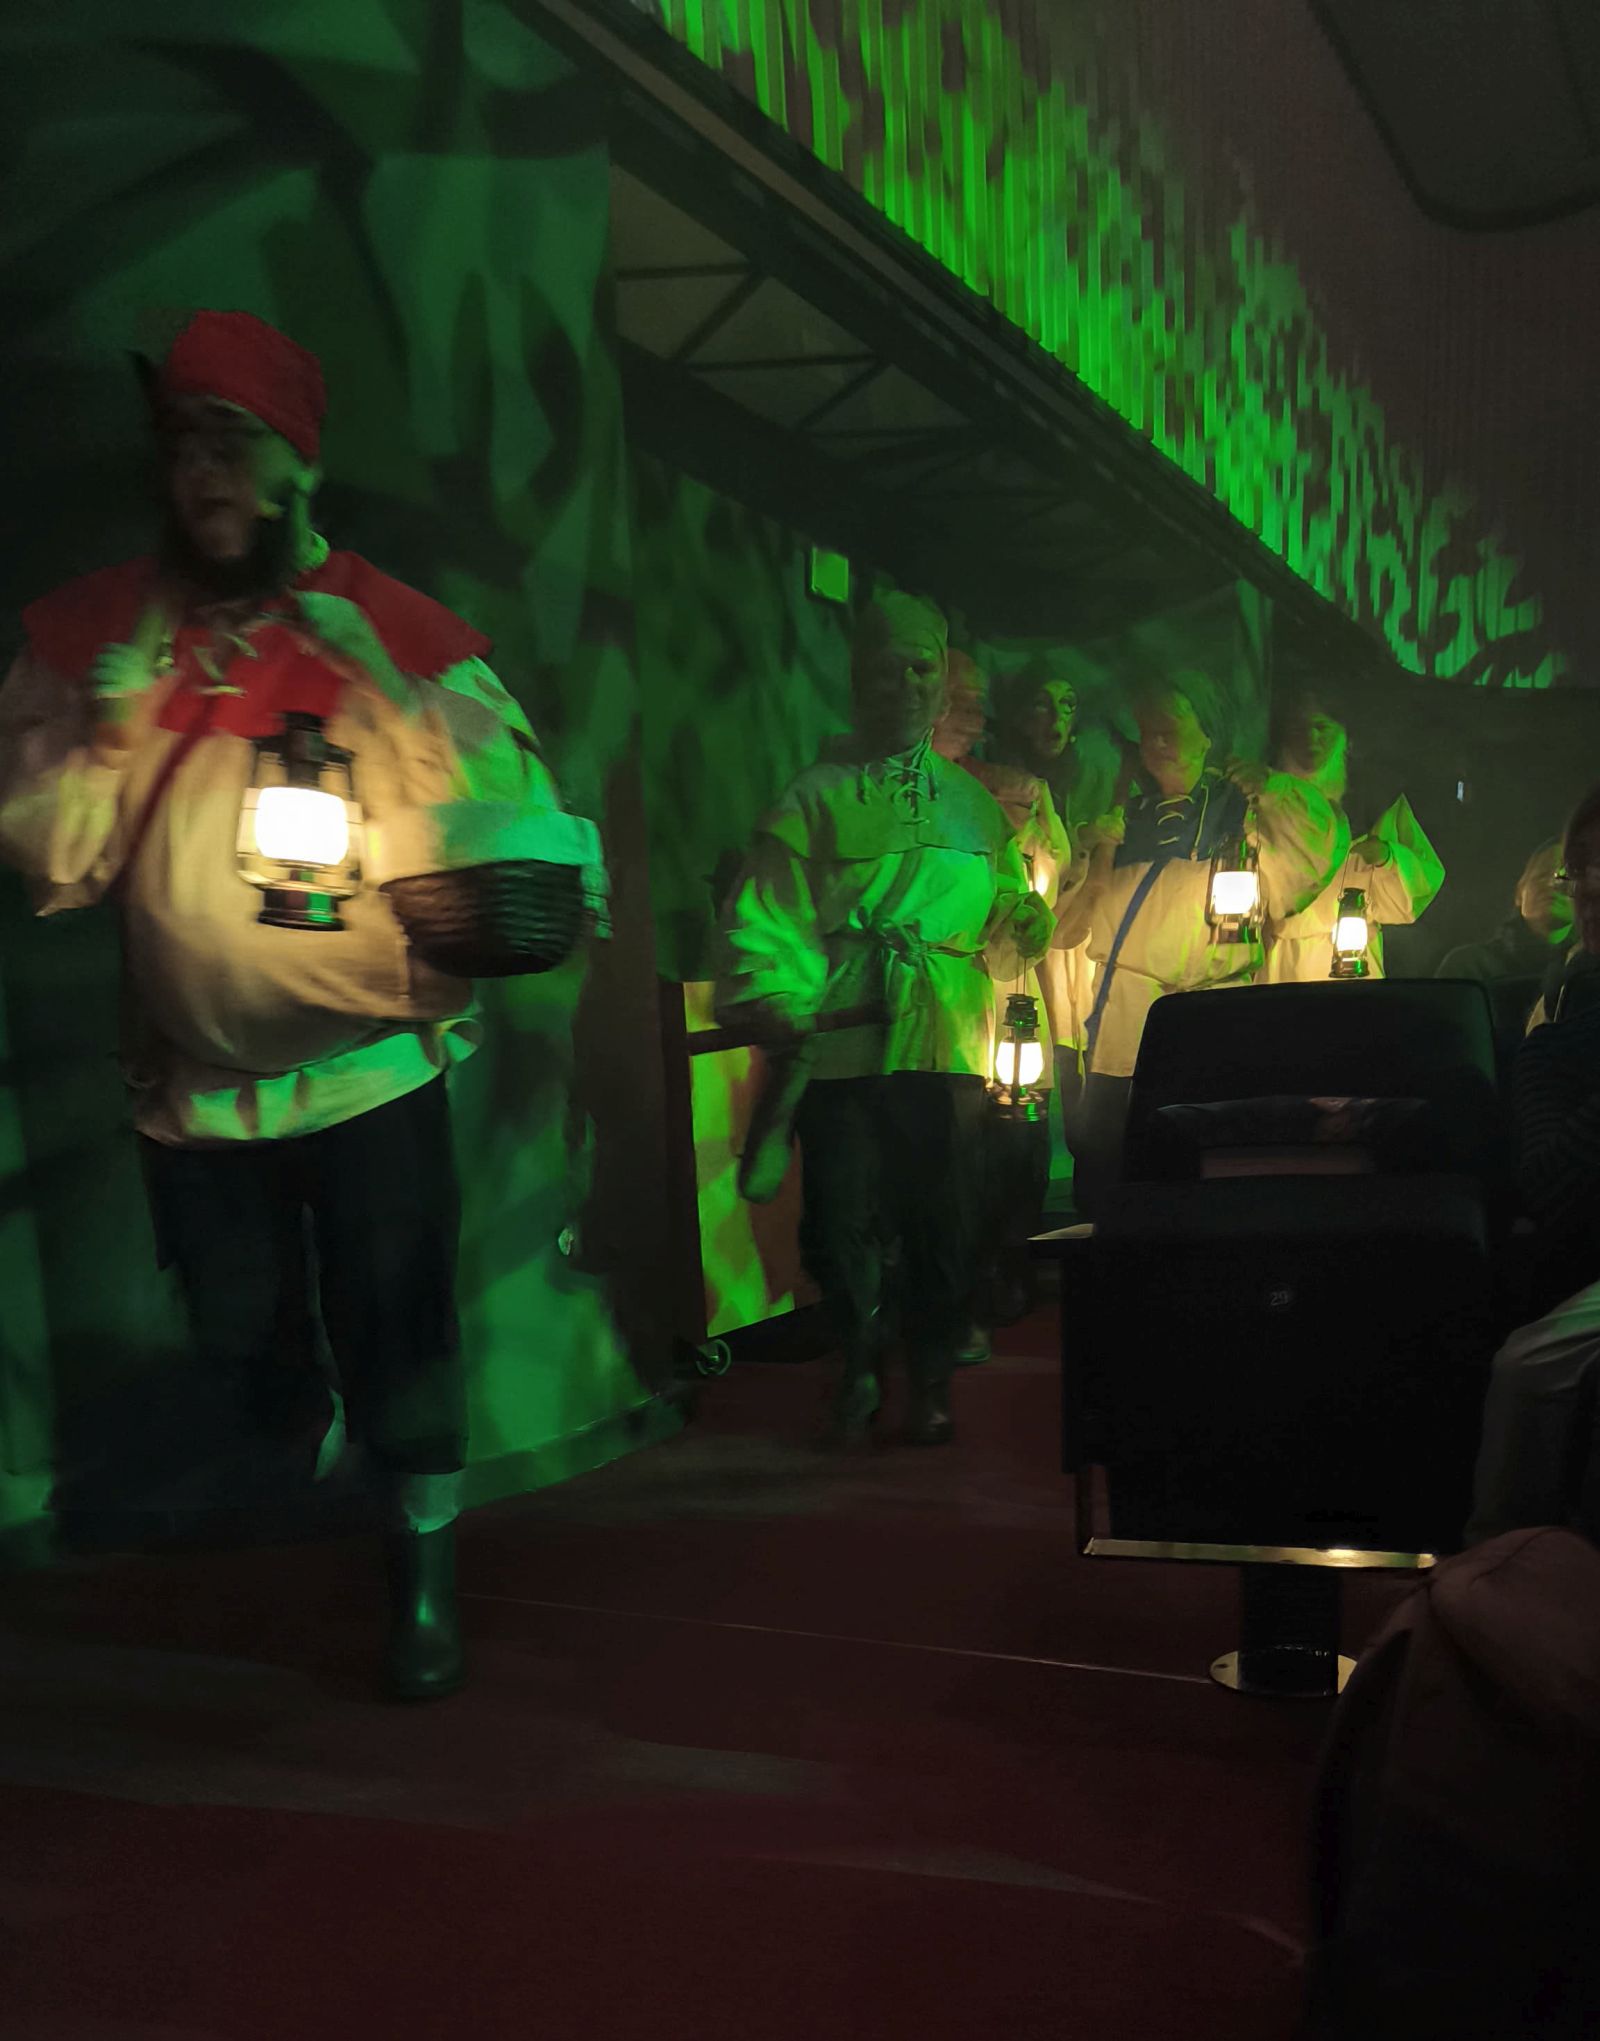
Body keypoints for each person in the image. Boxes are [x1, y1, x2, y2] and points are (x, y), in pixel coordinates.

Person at [0, 310, 588, 1701]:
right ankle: (309, 1425)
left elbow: (505, 834)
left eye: (232, 442)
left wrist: (378, 691)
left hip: (370, 1071)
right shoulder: (106, 639)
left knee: (400, 1328)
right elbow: (60, 862)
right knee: (238, 1342)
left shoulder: (399, 637)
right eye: (180, 446)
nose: (202, 474)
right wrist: (118, 729)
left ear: (300, 463)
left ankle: (421, 1573)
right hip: (197, 1093)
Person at [717, 596, 1051, 1447]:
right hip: (844, 1039)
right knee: (840, 1218)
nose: (903, 683)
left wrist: (1021, 918)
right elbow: (769, 916)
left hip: (945, 1035)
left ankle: (930, 1375)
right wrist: (782, 996)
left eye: (920, 667)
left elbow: (1000, 912)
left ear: (939, 683)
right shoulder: (814, 797)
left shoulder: (974, 806)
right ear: (857, 678)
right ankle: (861, 1355)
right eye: (885, 667)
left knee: (942, 1217)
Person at [1067, 676, 1347, 1211]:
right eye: (1148, 732)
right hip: (1127, 1016)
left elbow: (1316, 847)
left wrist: (1273, 788)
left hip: (1213, 1009)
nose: (1159, 742)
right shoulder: (1121, 818)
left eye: (1172, 728)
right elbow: (1072, 919)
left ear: (1206, 736)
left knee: (1206, 1158)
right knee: (1115, 1158)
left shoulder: (1243, 812)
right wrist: (1090, 852)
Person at [1467, 788, 1600, 1547]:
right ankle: (1493, 1577)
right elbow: (1550, 1179)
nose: (1589, 887)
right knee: (1527, 1364)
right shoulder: (1555, 1014)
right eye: (1581, 868)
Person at [1262, 685, 1443, 982]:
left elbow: (1418, 885)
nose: (1311, 737)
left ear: (1344, 731)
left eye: (1322, 727)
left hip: (1350, 959)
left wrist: (1388, 857)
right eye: (1299, 728)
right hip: (1278, 959)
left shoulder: (1376, 801)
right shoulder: (1264, 798)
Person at [1437, 839, 1573, 1034]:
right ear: (1519, 893)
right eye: (1541, 876)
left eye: (1565, 877)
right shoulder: (1469, 966)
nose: (1552, 883)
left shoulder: (1586, 973)